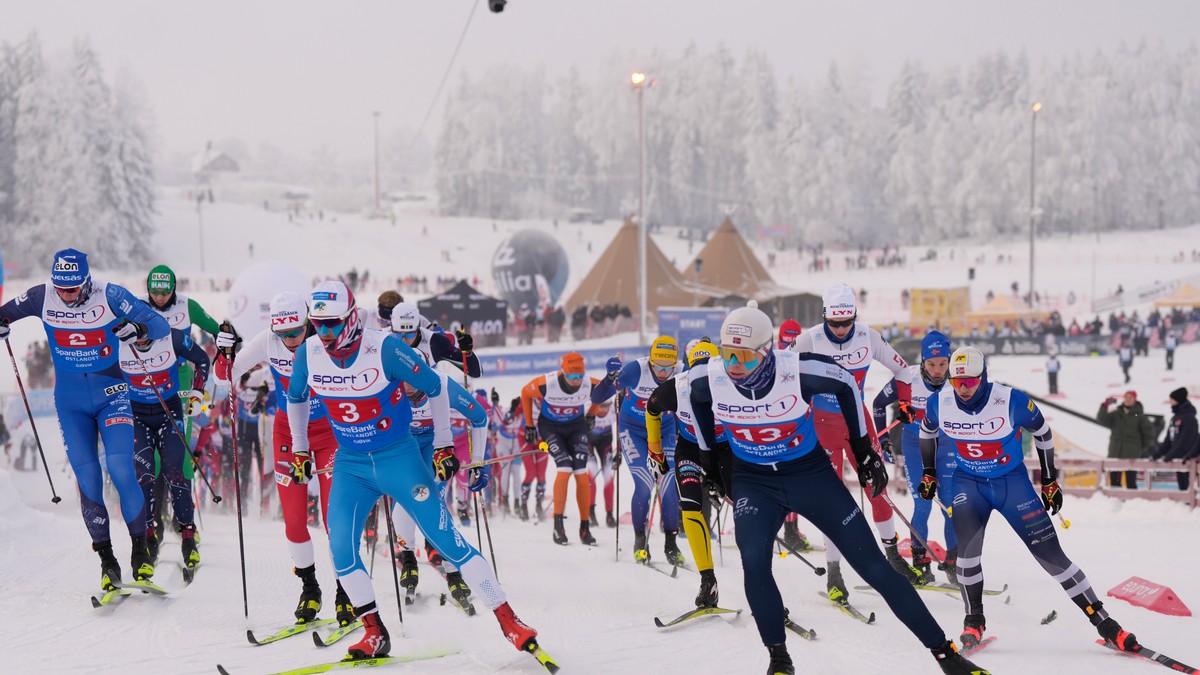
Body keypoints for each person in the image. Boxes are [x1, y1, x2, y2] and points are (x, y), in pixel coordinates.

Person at [690, 302, 987, 675]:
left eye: (746, 358)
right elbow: (686, 398)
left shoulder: (796, 370)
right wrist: (710, 460)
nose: (735, 366)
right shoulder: (709, 376)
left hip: (809, 477)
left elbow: (847, 384)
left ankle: (945, 653)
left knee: (875, 569)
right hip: (756, 484)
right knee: (754, 564)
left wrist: (865, 452)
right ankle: (779, 660)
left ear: (767, 353)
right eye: (728, 354)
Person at [283, 281, 544, 663]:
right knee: (340, 548)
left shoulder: (384, 347)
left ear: (352, 318)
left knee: (447, 540)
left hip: (398, 458)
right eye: (316, 324)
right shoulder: (309, 351)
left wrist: (442, 445)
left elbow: (436, 386)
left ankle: (510, 621)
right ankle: (374, 633)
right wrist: (301, 449)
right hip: (352, 465)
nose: (323, 333)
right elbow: (295, 398)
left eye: (332, 324)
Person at [918, 346, 1140, 655]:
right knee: (967, 557)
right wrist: (929, 472)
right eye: (957, 382)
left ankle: (1105, 624)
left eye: (970, 381)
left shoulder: (1010, 400)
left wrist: (1049, 479)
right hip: (968, 484)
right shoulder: (939, 403)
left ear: (983, 377)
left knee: (1053, 557)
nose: (963, 388)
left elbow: (1044, 433)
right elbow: (926, 432)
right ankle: (974, 620)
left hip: (1012, 485)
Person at [0, 249, 170, 590]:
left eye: (73, 289)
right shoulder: (40, 296)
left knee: (122, 470)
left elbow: (160, 324)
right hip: (70, 401)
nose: (66, 295)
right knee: (88, 480)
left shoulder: (111, 295)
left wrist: (137, 329)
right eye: (61, 288)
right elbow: (3, 314)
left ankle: (141, 551)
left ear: (87, 282)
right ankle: (107, 562)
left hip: (112, 395)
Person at [217, 292, 352, 625]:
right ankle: (309, 589)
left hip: (331, 433)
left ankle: (346, 591)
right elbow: (226, 374)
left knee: (335, 519)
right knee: (293, 520)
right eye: (283, 334)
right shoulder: (267, 341)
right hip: (288, 434)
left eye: (296, 332)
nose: (290, 340)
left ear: (308, 322)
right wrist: (224, 351)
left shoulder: (324, 339)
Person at [789, 283, 921, 596]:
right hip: (819, 425)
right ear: (825, 317)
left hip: (857, 424)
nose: (840, 329)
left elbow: (903, 372)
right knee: (830, 501)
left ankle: (891, 558)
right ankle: (834, 573)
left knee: (878, 489)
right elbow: (779, 374)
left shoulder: (868, 336)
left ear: (855, 317)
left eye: (847, 323)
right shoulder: (809, 339)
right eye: (834, 323)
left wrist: (904, 404)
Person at [389, 357, 487, 611]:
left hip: (436, 449)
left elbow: (479, 417)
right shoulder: (387, 383)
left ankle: (454, 573)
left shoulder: (442, 385)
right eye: (403, 379)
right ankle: (408, 557)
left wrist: (477, 461)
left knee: (432, 504)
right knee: (403, 501)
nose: (407, 387)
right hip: (404, 447)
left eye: (413, 380)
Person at [143, 264, 229, 544]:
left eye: (165, 292)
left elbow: (217, 329)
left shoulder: (187, 306)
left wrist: (227, 347)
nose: (159, 298)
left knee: (180, 447)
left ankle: (185, 520)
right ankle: (155, 517)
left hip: (181, 379)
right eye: (155, 292)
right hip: (149, 380)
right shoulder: (139, 308)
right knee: (152, 455)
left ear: (173, 289)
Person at [646, 338, 733, 609]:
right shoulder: (676, 387)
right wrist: (655, 451)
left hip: (724, 449)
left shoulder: (731, 383)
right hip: (691, 449)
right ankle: (708, 580)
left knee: (746, 506)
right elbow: (652, 408)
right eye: (698, 370)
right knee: (691, 506)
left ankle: (763, 585)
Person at [117, 325, 211, 575]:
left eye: (146, 332)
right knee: (144, 475)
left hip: (169, 412)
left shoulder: (172, 337)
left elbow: (202, 360)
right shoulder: (118, 341)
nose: (141, 339)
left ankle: (188, 538)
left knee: (173, 471)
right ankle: (148, 540)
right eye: (136, 335)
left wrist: (197, 394)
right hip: (136, 416)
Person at [872, 330, 957, 585]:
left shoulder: (958, 381)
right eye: (931, 364)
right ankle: (920, 562)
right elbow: (877, 404)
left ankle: (954, 562)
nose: (938, 370)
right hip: (915, 447)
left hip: (946, 447)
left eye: (943, 363)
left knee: (951, 505)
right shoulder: (907, 377)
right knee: (923, 503)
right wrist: (884, 439)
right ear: (922, 361)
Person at [591, 336, 684, 564]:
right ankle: (640, 539)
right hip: (633, 430)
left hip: (665, 430)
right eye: (658, 367)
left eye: (668, 368)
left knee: (669, 482)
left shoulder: (682, 371)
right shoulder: (636, 370)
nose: (663, 373)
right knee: (645, 482)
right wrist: (610, 378)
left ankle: (671, 543)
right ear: (650, 361)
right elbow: (596, 397)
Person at [520, 352, 605, 545]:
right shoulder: (547, 383)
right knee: (565, 467)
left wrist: (592, 413)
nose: (576, 381)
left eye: (579, 376)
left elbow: (604, 390)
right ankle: (558, 526)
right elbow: (525, 393)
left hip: (576, 427)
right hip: (551, 428)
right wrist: (529, 424)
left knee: (581, 472)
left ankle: (585, 528)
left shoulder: (588, 383)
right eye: (572, 376)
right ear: (563, 372)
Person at [1096, 390, 1155, 490]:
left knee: (1131, 482)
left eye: (1130, 397)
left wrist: (1139, 449)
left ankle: (1131, 502)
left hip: (1131, 455)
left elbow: (1149, 435)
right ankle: (1116, 502)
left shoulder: (1139, 416)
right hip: (1115, 453)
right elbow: (1102, 420)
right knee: (1115, 482)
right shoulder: (1116, 413)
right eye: (1126, 397)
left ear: (1135, 399)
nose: (1128, 399)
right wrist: (1105, 406)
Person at [1150, 388, 1198, 490]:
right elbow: (1168, 441)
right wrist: (1157, 454)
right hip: (1178, 459)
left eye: (1172, 400)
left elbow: (1185, 442)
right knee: (1182, 487)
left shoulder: (1189, 419)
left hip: (1188, 459)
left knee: (1190, 488)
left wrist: (1171, 455)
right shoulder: (1174, 419)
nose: (1170, 402)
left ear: (1178, 401)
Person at [587, 398, 617, 527]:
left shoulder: (614, 410)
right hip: (588, 443)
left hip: (605, 443)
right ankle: (590, 511)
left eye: (607, 405)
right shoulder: (588, 408)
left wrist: (620, 452)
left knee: (608, 476)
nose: (604, 409)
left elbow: (622, 428)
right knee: (591, 475)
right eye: (601, 405)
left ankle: (609, 514)